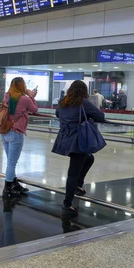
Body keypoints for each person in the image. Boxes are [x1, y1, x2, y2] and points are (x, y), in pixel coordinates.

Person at [52, 80, 106, 216]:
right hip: (78, 141)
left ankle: (77, 184)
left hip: (66, 138)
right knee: (73, 173)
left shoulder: (63, 102)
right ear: (84, 91)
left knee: (89, 158)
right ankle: (67, 202)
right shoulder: (83, 103)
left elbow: (58, 114)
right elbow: (100, 116)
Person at [1, 77, 38, 197]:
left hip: (5, 131)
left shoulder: (7, 96)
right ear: (22, 86)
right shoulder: (25, 99)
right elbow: (34, 109)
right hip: (16, 133)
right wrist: (31, 96)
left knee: (10, 161)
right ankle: (7, 187)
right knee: (12, 162)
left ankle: (14, 183)